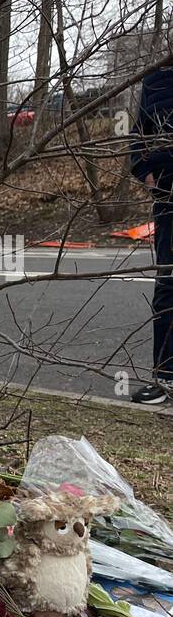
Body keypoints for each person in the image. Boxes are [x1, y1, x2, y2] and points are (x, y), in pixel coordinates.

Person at [130, 64, 173, 404]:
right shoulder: (156, 80)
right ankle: (166, 377)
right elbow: (138, 134)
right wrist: (144, 171)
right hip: (169, 197)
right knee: (168, 284)